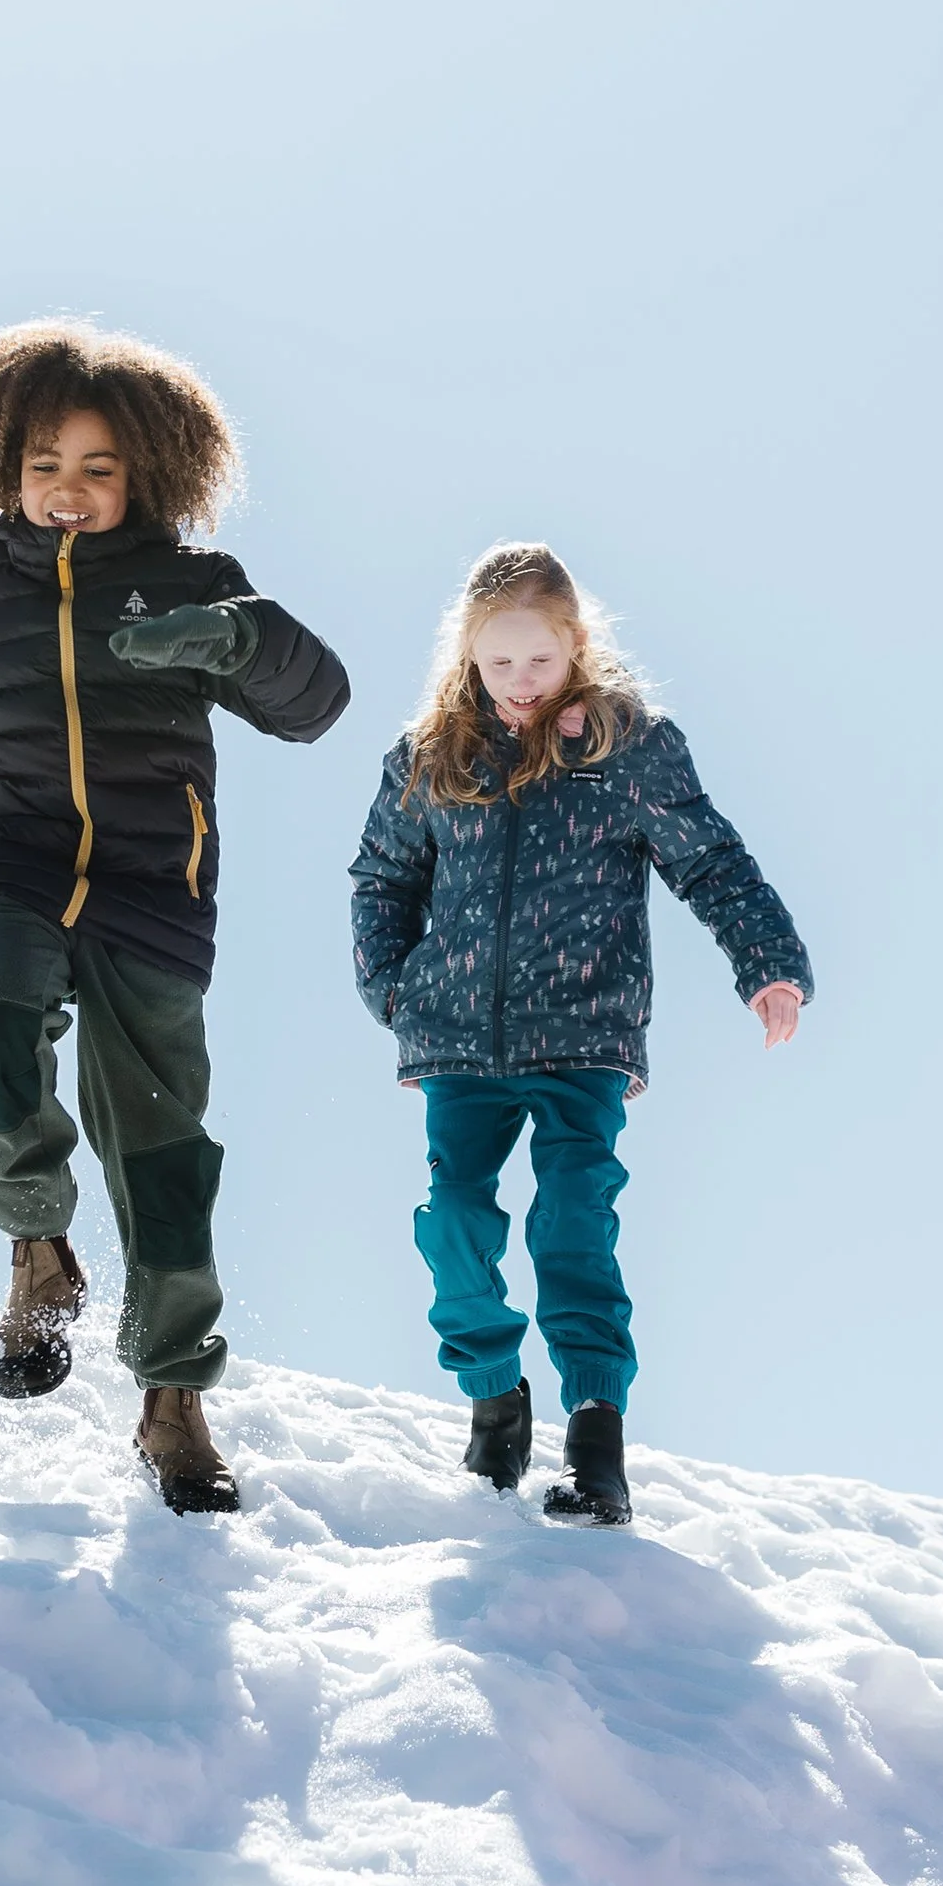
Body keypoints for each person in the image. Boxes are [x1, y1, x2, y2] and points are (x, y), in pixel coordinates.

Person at [0, 320, 348, 1513]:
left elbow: (316, 705)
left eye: (99, 470)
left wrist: (239, 639)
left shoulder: (196, 586)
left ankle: (173, 1400)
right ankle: (37, 1250)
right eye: (46, 464)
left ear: (147, 473)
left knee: (162, 1162)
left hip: (156, 890)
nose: (70, 490)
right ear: (4, 464)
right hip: (9, 860)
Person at [349, 542, 810, 1525]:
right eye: (497, 661)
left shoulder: (624, 749)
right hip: (459, 1045)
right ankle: (491, 1395)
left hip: (582, 1035)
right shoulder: (431, 757)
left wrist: (765, 965)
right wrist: (393, 994)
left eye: (538, 661)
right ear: (468, 654)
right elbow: (382, 878)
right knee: (454, 1222)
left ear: (575, 647)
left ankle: (595, 1442)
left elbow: (710, 861)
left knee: (570, 1221)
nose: (517, 682)